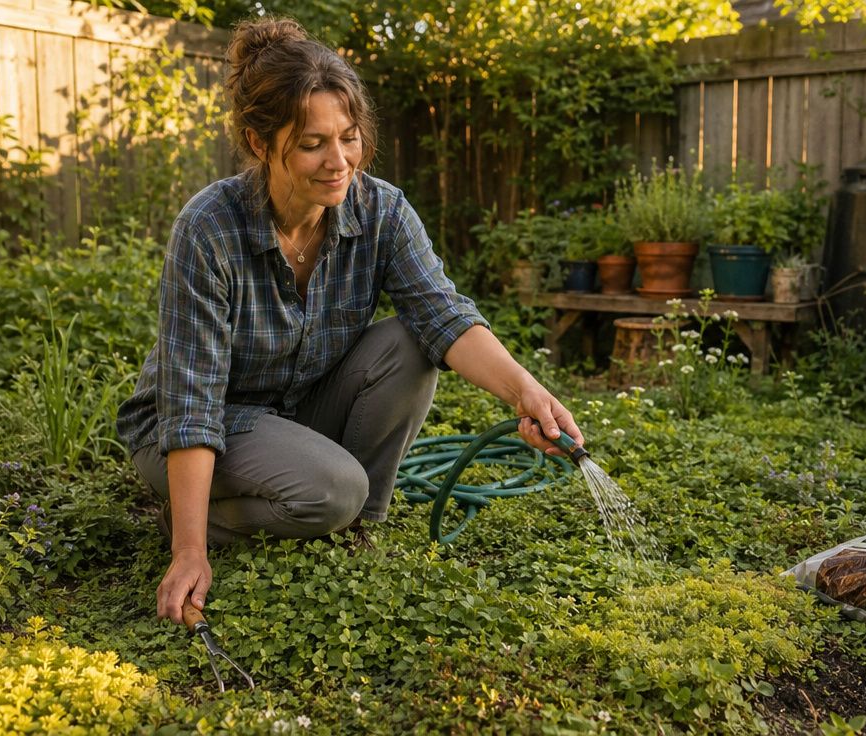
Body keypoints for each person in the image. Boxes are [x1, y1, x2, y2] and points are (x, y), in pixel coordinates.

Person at [116, 16, 584, 627]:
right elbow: (193, 399)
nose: (339, 161)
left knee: (412, 343)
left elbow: (442, 314)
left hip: (292, 414)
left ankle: (352, 524)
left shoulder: (381, 209)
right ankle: (203, 516)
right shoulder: (209, 229)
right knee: (334, 488)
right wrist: (189, 550)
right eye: (312, 143)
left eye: (349, 136)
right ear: (260, 143)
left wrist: (527, 392)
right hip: (188, 429)